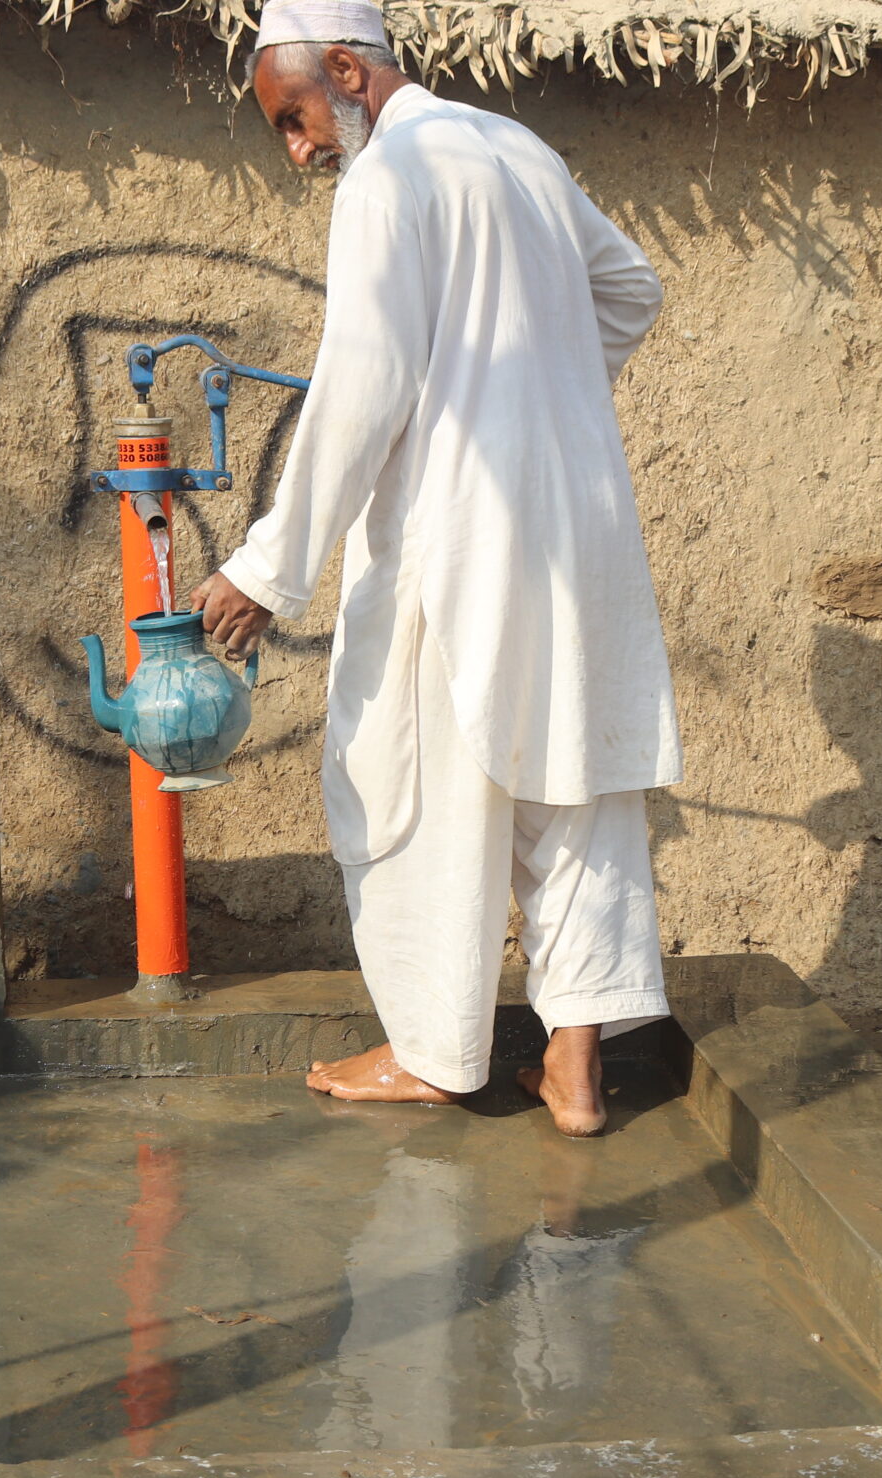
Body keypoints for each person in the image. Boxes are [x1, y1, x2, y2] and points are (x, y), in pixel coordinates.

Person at [189, 0, 680, 1137]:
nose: (301, 151)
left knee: (414, 775)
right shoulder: (515, 147)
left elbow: (359, 387)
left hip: (463, 529)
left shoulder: (390, 177)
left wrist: (269, 566)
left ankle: (437, 1052)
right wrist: (535, 396)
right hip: (580, 522)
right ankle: (573, 1072)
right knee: (575, 783)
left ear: (350, 71)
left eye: (298, 117)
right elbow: (632, 290)